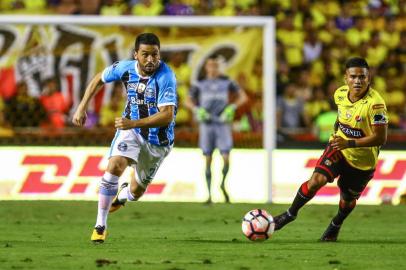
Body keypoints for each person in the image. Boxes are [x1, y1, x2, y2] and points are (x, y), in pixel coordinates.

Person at [72, 33, 177, 243]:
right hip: (131, 131)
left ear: (159, 54)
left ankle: (122, 197)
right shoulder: (125, 68)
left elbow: (167, 115)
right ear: (136, 55)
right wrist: (82, 107)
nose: (150, 60)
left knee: (136, 192)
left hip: (158, 142)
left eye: (154, 55)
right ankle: (100, 226)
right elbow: (98, 79)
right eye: (145, 54)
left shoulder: (166, 76)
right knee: (114, 166)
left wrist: (133, 123)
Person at [272, 57, 388, 241]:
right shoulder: (340, 94)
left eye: (362, 77)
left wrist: (349, 143)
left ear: (369, 79)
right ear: (345, 78)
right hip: (339, 148)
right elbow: (341, 118)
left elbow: (380, 138)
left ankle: (336, 224)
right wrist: (337, 133)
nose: (357, 81)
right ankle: (290, 214)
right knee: (316, 181)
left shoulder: (376, 104)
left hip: (362, 161)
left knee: (347, 201)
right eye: (353, 77)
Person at [185, 56, 247, 203]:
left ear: (219, 67)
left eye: (216, 66)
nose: (213, 69)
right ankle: (209, 195)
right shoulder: (199, 84)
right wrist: (197, 109)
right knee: (208, 159)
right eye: (210, 66)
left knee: (226, 158)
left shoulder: (227, 82)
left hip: (222, 123)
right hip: (207, 124)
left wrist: (232, 107)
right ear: (206, 67)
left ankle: (222, 184)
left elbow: (242, 97)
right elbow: (187, 101)